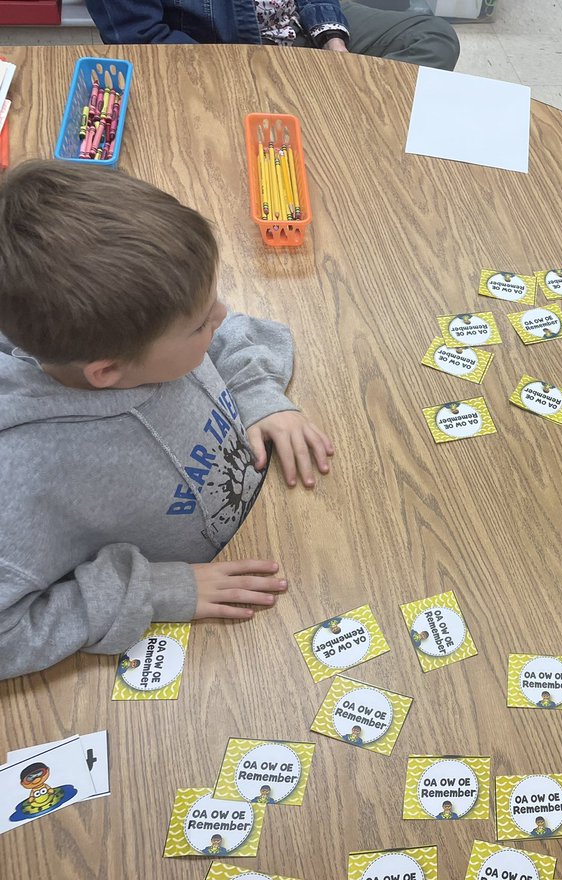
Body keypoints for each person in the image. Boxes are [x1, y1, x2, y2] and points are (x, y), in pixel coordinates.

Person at [0, 160, 333, 681]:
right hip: (214, 644)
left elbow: (219, 329)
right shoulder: (22, 481)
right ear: (108, 370)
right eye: (202, 323)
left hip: (284, 525)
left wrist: (256, 390)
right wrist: (157, 590)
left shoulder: (139, 326)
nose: (223, 314)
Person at [84, 0, 459, 71]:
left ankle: (340, 107)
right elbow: (141, 39)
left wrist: (332, 38)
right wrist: (246, 70)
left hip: (303, 23)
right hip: (228, 51)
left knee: (434, 36)